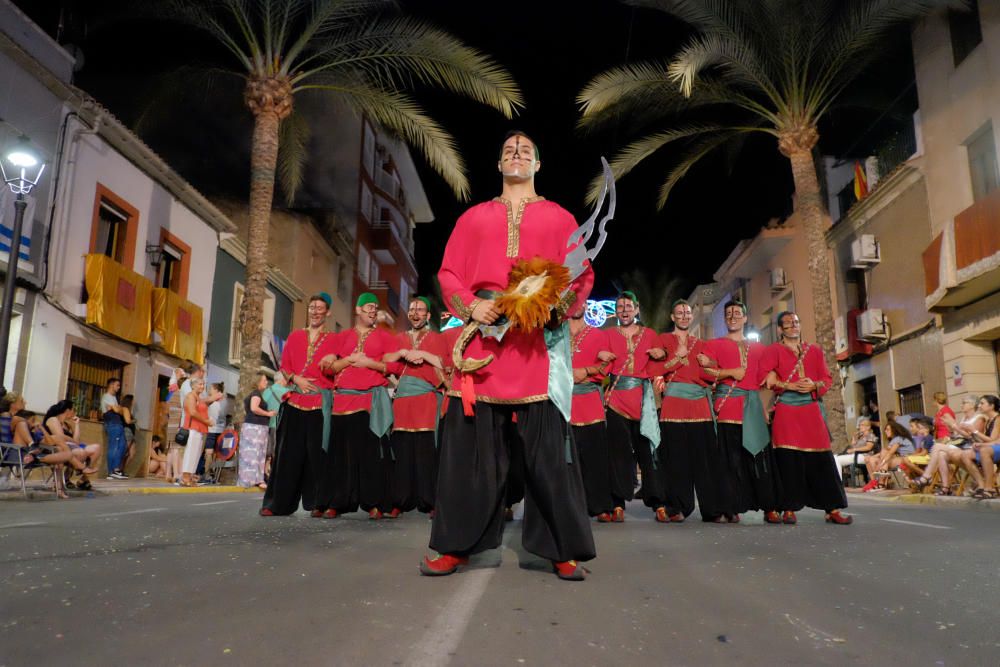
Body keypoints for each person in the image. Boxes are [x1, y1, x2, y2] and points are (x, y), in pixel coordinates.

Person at [421, 130, 596, 581]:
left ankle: (559, 547)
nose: (516, 154)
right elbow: (449, 273)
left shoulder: (559, 217)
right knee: (471, 454)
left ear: (537, 165)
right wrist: (472, 305)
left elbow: (581, 276)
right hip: (484, 343)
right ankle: (456, 544)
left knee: (547, 455)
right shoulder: (473, 217)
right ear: (498, 165)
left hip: (539, 348)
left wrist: (552, 310)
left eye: (525, 151)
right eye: (507, 151)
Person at [761, 311, 852, 525]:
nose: (793, 325)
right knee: (788, 461)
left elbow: (826, 379)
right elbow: (764, 377)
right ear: (779, 329)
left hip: (811, 410)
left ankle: (832, 509)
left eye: (796, 322)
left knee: (822, 460)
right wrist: (785, 384)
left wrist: (814, 385)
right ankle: (788, 508)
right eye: (788, 323)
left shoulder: (815, 351)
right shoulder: (773, 350)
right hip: (786, 411)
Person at [318, 293, 404, 519]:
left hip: (370, 403)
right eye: (368, 307)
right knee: (340, 456)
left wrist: (370, 363)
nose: (373, 310)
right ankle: (337, 501)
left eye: (375, 307)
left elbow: (396, 368)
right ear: (357, 310)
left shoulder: (385, 337)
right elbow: (327, 368)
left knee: (372, 457)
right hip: (342, 402)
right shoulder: (341, 337)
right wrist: (348, 360)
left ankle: (374, 503)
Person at [699, 300, 781, 522]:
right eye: (728, 314)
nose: (732, 316)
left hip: (753, 409)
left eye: (737, 313)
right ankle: (730, 507)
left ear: (745, 318)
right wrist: (729, 372)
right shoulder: (713, 344)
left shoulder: (760, 348)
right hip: (727, 408)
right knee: (729, 462)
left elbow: (767, 377)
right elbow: (706, 373)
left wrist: (772, 379)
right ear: (725, 319)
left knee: (760, 460)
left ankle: (769, 506)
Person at [652, 299, 734, 523]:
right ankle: (677, 506)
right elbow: (655, 370)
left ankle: (712, 509)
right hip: (673, 404)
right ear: (672, 317)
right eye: (679, 313)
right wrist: (675, 360)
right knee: (676, 460)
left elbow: (710, 377)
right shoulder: (663, 340)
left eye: (687, 313)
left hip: (700, 406)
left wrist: (709, 363)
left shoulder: (701, 343)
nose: (684, 316)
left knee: (705, 461)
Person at [260, 293, 341, 516]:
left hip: (319, 404)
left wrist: (334, 356)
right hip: (295, 401)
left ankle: (319, 503)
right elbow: (285, 367)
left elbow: (342, 363)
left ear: (328, 312)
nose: (315, 311)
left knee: (319, 456)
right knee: (287, 455)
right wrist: (297, 379)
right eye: (312, 307)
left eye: (320, 308)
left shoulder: (335, 339)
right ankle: (277, 504)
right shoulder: (295, 336)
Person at [383, 296, 447, 518]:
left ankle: (430, 501)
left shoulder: (438, 339)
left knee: (427, 451)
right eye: (412, 310)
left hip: (427, 400)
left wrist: (422, 354)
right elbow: (386, 360)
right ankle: (399, 500)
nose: (415, 313)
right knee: (402, 451)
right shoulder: (399, 337)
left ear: (428, 315)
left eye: (420, 310)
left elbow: (445, 363)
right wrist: (402, 353)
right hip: (403, 401)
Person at [604, 291, 662, 522]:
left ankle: (657, 501)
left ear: (637, 309)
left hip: (642, 400)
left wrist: (662, 352)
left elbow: (659, 365)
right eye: (620, 307)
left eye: (629, 306)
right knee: (617, 453)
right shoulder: (608, 334)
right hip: (617, 399)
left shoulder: (650, 334)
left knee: (647, 452)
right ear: (616, 311)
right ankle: (617, 503)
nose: (625, 310)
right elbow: (600, 365)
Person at [568, 302, 615, 521]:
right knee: (565, 459)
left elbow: (608, 367)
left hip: (589, 402)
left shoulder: (600, 335)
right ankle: (568, 505)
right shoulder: (555, 335)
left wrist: (586, 370)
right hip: (562, 401)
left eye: (582, 300)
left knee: (595, 455)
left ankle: (600, 506)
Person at [1, 394, 77, 498]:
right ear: (13, 404)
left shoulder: (25, 422)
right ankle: (78, 468)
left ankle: (59, 487)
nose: (25, 403)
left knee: (60, 450)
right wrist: (28, 423)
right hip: (16, 452)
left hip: (34, 454)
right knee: (23, 425)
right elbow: (10, 430)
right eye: (22, 401)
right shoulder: (11, 417)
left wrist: (41, 428)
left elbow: (49, 441)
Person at [912, 396, 984, 495]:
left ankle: (926, 477)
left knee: (937, 446)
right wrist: (950, 427)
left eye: (964, 403)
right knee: (941, 454)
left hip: (970, 447)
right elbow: (958, 435)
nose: (961, 405)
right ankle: (945, 488)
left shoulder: (979, 418)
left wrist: (954, 425)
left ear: (972, 405)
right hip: (960, 445)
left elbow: (970, 435)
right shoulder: (964, 418)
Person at [43, 400, 101, 491]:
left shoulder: (67, 425)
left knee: (96, 448)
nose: (75, 413)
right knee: (80, 452)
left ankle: (83, 479)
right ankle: (66, 478)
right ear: (67, 410)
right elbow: (60, 437)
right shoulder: (53, 420)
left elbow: (76, 441)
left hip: (72, 447)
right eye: (73, 410)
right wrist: (72, 440)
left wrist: (77, 424)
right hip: (58, 448)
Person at [960, 395, 1000, 500]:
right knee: (965, 454)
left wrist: (975, 431)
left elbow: (993, 440)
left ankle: (989, 488)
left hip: (996, 447)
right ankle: (981, 484)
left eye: (982, 403)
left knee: (984, 451)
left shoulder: (998, 419)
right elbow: (986, 440)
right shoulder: (988, 420)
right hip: (991, 447)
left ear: (991, 406)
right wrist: (976, 440)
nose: (979, 406)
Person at [239, 374, 275, 489]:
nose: (266, 382)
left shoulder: (255, 394)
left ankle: (252, 479)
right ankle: (256, 480)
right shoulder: (256, 394)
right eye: (264, 380)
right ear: (257, 381)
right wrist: (268, 413)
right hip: (256, 427)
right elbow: (254, 408)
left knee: (256, 453)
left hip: (255, 426)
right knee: (255, 453)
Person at [862, 420, 915, 490]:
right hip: (900, 458)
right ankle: (875, 482)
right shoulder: (894, 439)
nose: (885, 431)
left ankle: (881, 482)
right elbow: (884, 452)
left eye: (888, 430)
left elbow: (890, 453)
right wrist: (871, 457)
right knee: (870, 459)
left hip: (908, 459)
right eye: (885, 430)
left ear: (894, 430)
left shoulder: (898, 438)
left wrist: (881, 463)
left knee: (883, 454)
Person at [179, 378, 212, 487]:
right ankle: (185, 477)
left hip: (200, 428)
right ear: (193, 386)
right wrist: (206, 421)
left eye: (203, 384)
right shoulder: (190, 396)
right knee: (190, 452)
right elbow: (192, 412)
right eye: (200, 384)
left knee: (196, 453)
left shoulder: (199, 397)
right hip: (192, 427)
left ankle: (190, 476)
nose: (202, 386)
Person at [260, 371, 291, 483]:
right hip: (282, 426)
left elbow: (262, 405)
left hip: (268, 424)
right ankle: (278, 474)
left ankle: (266, 472)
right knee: (279, 451)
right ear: (283, 380)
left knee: (268, 450)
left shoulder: (268, 391)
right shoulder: (288, 392)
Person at [834, 417, 878, 483]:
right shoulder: (860, 437)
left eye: (862, 425)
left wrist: (854, 449)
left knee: (837, 459)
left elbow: (868, 447)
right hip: (856, 455)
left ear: (868, 427)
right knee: (834, 457)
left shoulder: (870, 435)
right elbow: (852, 446)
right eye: (860, 425)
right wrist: (854, 439)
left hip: (864, 456)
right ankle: (837, 480)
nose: (860, 426)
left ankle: (839, 482)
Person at [101, 378, 129, 479]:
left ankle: (116, 470)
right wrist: (119, 409)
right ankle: (111, 471)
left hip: (118, 424)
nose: (119, 387)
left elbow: (119, 411)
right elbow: (118, 410)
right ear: (111, 385)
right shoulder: (107, 396)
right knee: (114, 447)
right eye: (117, 385)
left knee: (122, 446)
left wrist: (118, 409)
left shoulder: (113, 398)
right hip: (112, 424)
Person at [201, 383, 227, 484]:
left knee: (209, 452)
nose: (209, 390)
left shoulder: (213, 401)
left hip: (211, 429)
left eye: (211, 388)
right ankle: (213, 475)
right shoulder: (224, 401)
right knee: (216, 453)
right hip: (220, 430)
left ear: (216, 390)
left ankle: (207, 474)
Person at [119, 394, 138, 474]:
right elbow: (128, 421)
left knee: (132, 454)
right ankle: (118, 470)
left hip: (131, 433)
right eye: (133, 400)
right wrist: (135, 420)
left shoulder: (128, 410)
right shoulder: (125, 409)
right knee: (125, 453)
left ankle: (122, 470)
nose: (134, 402)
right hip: (127, 432)